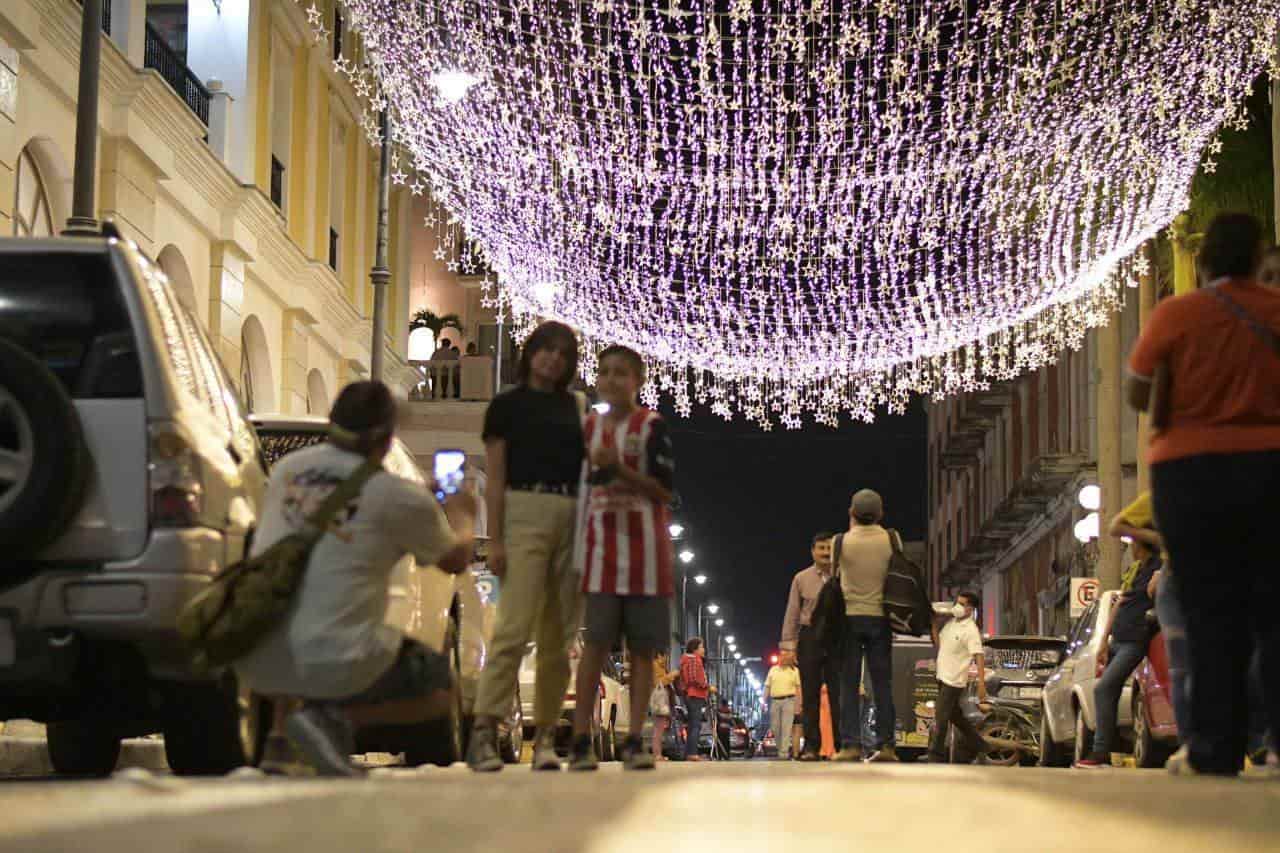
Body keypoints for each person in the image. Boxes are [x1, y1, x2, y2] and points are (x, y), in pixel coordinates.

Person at [234, 381, 477, 777]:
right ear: (386, 437)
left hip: (258, 659)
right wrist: (464, 514)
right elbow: (454, 559)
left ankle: (281, 738)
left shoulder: (286, 471)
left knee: (297, 598)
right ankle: (334, 719)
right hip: (338, 660)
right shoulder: (397, 496)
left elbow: (353, 500)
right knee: (440, 686)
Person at [1127, 212, 1280, 776]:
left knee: (1210, 610)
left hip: (1191, 470)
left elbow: (1137, 391)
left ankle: (1216, 748)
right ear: (1258, 260)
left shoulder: (1177, 313)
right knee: (1273, 609)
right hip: (1271, 467)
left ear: (1206, 260)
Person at [467, 321, 586, 772]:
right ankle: (483, 731)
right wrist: (495, 537)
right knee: (514, 626)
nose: (552, 358)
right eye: (545, 349)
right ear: (530, 352)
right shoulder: (506, 406)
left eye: (562, 352)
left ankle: (549, 739)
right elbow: (494, 476)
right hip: (523, 509)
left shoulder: (575, 406)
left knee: (560, 637)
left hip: (571, 515)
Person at [569, 345, 676, 771]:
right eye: (605, 372)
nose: (611, 380)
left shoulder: (651, 426)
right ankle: (579, 739)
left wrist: (619, 469)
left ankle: (634, 739)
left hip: (646, 552)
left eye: (621, 373)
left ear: (638, 381)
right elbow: (578, 485)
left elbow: (664, 491)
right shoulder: (588, 427)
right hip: (600, 550)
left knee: (641, 650)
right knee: (594, 645)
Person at [1075, 510, 1162, 769]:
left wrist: (1158, 580)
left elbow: (1154, 592)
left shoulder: (1158, 565)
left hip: (1136, 640)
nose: (1131, 548)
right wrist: (1103, 641)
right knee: (1105, 692)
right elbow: (1118, 602)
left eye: (1133, 543)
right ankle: (1103, 749)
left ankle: (1100, 751)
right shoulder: (1136, 568)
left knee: (1104, 688)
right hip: (1118, 638)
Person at [834, 489, 899, 762]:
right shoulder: (892, 539)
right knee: (882, 684)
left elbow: (835, 576)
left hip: (849, 618)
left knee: (848, 684)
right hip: (881, 617)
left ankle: (850, 745)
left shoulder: (841, 541)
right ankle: (887, 746)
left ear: (852, 513)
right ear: (881, 513)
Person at [781, 532, 842, 761]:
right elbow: (792, 613)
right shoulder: (801, 578)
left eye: (829, 549)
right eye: (821, 548)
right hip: (809, 637)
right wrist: (788, 647)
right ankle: (811, 748)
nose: (825, 553)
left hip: (837, 638)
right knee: (810, 694)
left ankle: (842, 746)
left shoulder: (842, 576)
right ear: (812, 551)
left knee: (838, 694)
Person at [928, 591, 989, 764]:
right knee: (955, 716)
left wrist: (981, 684)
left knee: (941, 717)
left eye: (962, 604)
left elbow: (979, 656)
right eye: (957, 602)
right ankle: (980, 744)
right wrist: (933, 624)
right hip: (942, 675)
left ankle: (935, 756)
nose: (958, 606)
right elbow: (939, 645)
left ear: (971, 608)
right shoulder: (951, 623)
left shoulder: (971, 630)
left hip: (954, 680)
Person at [680, 638, 713, 761]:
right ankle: (692, 753)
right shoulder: (694, 660)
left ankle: (688, 753)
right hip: (695, 695)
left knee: (692, 725)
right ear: (695, 649)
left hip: (690, 695)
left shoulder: (687, 660)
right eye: (701, 647)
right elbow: (694, 679)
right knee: (695, 725)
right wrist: (708, 686)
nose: (703, 650)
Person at [765, 650, 802, 759]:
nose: (783, 658)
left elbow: (798, 688)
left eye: (786, 656)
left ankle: (784, 753)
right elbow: (767, 686)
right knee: (775, 727)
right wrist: (763, 700)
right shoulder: (773, 670)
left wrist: (799, 703)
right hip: (775, 701)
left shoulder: (794, 671)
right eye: (782, 656)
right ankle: (781, 748)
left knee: (786, 727)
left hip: (789, 701)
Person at [651, 651, 679, 761]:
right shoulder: (655, 666)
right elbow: (658, 683)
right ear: (659, 655)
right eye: (665, 656)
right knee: (658, 728)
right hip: (659, 700)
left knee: (660, 728)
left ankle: (658, 754)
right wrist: (671, 676)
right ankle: (657, 754)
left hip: (662, 700)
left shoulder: (660, 667)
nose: (666, 659)